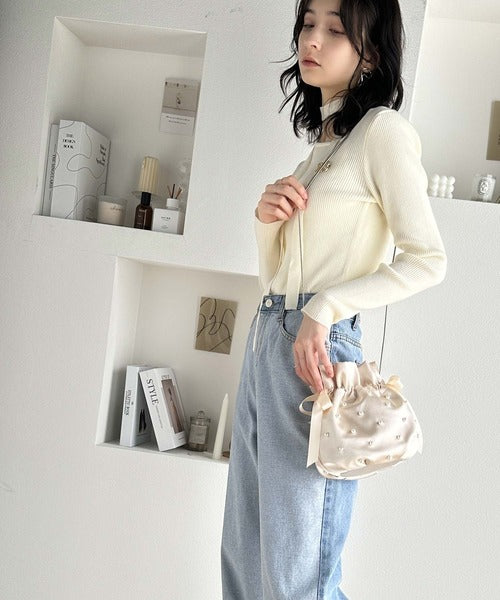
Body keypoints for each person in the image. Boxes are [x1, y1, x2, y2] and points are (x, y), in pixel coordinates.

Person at [221, 0, 447, 598]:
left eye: (335, 29)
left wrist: (323, 309)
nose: (311, 39)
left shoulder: (383, 133)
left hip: (316, 351)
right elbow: (277, 279)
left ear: (369, 52)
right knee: (245, 561)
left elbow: (428, 259)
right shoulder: (321, 148)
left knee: (298, 574)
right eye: (307, 23)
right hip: (270, 340)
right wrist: (266, 223)